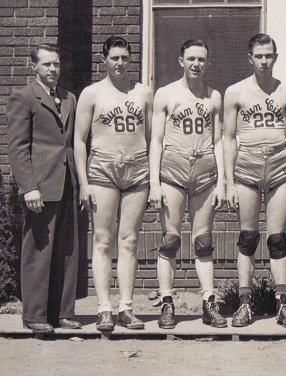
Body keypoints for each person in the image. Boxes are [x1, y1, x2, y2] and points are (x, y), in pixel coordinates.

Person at [73, 36, 153, 331]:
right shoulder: (92, 94)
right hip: (103, 172)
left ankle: (126, 308)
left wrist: (153, 178)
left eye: (125, 58)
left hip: (136, 171)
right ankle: (104, 307)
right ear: (104, 60)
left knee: (129, 241)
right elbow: (79, 142)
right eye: (115, 58)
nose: (120, 63)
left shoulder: (143, 93)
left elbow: (152, 139)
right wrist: (84, 183)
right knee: (103, 240)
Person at [148, 39, 226, 329]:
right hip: (174, 168)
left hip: (205, 170)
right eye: (191, 58)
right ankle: (167, 303)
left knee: (203, 241)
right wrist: (154, 182)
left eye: (201, 60)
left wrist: (223, 181)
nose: (196, 64)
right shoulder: (166, 94)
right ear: (181, 60)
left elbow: (219, 141)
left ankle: (209, 302)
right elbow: (155, 140)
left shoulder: (213, 96)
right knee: (170, 239)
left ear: (208, 63)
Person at [223, 34, 286, 329]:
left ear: (276, 57)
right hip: (248, 165)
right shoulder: (236, 92)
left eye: (269, 55)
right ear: (250, 59)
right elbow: (228, 138)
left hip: (279, 165)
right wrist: (228, 181)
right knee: (249, 237)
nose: (264, 61)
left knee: (277, 239)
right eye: (259, 56)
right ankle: (245, 302)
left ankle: (282, 304)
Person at [7, 44, 81, 333]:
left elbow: (71, 143)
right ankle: (35, 315)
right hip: (40, 186)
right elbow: (17, 146)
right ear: (34, 67)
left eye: (57, 64)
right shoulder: (24, 97)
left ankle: (62, 313)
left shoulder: (69, 98)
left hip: (67, 183)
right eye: (47, 64)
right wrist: (28, 187)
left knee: (66, 251)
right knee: (38, 251)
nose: (53, 70)